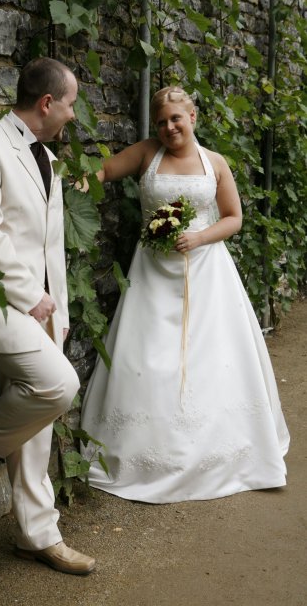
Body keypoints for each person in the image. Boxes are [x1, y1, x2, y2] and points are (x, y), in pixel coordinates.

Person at [81, 86, 289, 504]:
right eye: (161, 121)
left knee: (211, 357)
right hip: (152, 273)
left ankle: (221, 449)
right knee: (148, 355)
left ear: (192, 116)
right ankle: (147, 449)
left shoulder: (215, 163)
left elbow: (234, 218)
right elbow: (103, 170)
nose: (169, 127)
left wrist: (199, 237)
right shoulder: (147, 154)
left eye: (176, 118)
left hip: (207, 272)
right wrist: (79, 184)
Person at [0, 57, 95, 575]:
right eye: (71, 105)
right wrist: (30, 295)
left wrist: (59, 310)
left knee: (39, 423)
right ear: (47, 103)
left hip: (39, 307)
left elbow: (50, 247)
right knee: (58, 386)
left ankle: (39, 536)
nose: (73, 115)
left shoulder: (47, 159)